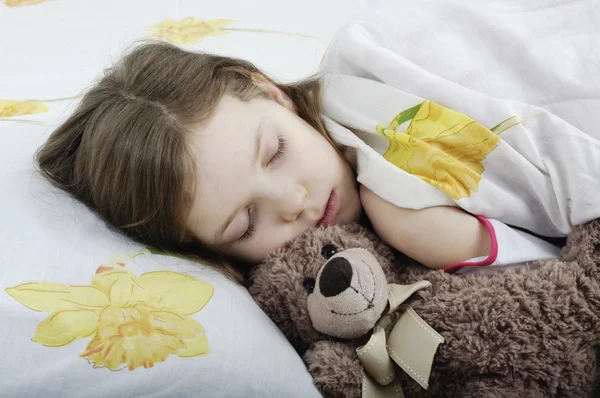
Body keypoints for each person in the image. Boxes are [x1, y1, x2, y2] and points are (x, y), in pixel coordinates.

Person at [36, 2, 600, 277]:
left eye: (275, 151)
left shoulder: (370, 77)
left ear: (272, 91)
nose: (294, 202)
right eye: (243, 223)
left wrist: (415, 222)